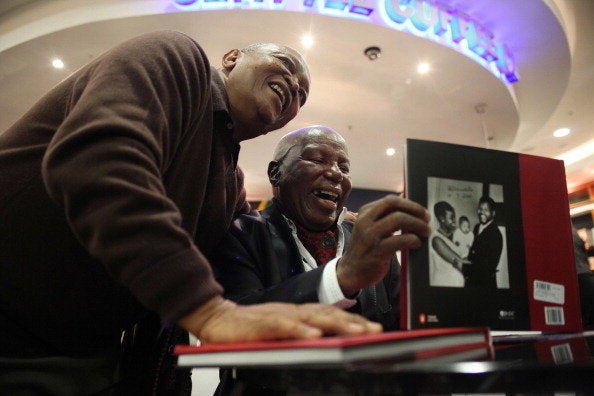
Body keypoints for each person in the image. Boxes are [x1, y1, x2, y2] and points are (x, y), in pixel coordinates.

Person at [0, 31, 381, 395]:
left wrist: (341, 252)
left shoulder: (231, 187)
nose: (294, 87)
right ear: (232, 59)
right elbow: (97, 163)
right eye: (284, 64)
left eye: (302, 94)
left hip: (86, 355)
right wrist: (207, 311)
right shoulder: (176, 58)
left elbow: (247, 288)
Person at [209, 125, 431, 395]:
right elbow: (231, 324)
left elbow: (406, 338)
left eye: (344, 167)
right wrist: (340, 278)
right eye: (317, 159)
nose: (336, 173)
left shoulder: (372, 242)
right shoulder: (239, 234)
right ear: (275, 173)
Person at [465, 196, 503, 290]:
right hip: (471, 281)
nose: (481, 212)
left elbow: (489, 267)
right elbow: (474, 250)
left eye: (486, 210)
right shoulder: (477, 227)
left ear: (493, 213)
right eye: (480, 209)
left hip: (484, 284)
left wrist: (464, 268)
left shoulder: (496, 235)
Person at [429, 201, 468, 287]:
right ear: (442, 219)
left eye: (455, 217)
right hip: (443, 286)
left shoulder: (456, 236)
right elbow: (460, 262)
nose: (455, 220)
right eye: (451, 218)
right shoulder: (436, 239)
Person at [573, 226, 594, 329]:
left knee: (584, 326)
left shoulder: (560, 227)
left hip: (579, 279)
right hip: (586, 276)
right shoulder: (572, 229)